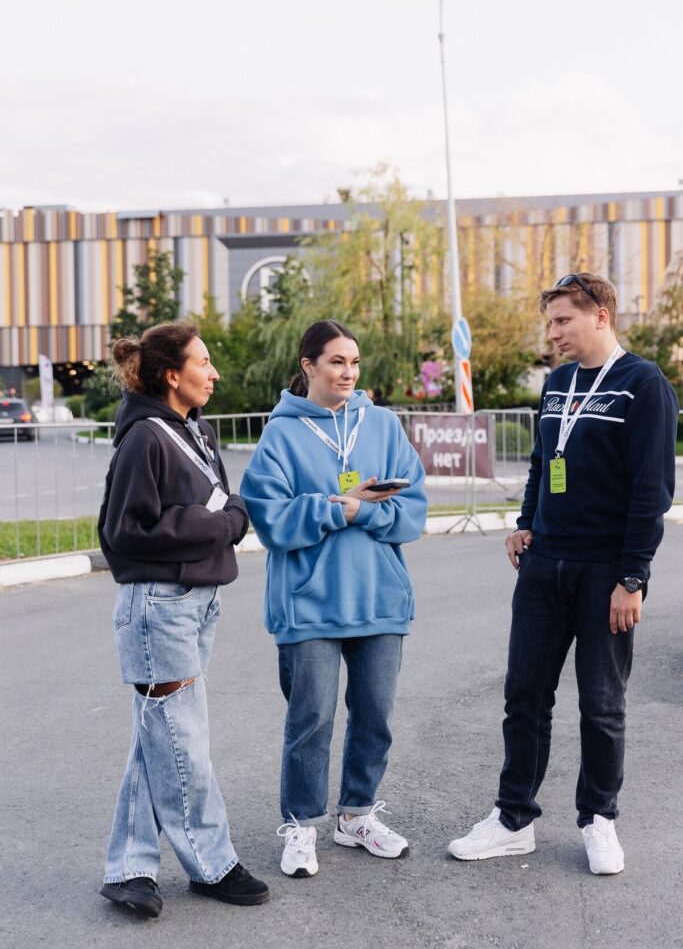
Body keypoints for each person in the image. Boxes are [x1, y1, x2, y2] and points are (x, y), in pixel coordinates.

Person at [447, 273, 678, 875]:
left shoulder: (642, 384)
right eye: (549, 323)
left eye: (562, 321)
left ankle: (599, 819)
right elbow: (543, 459)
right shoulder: (557, 383)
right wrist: (526, 521)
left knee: (602, 704)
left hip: (606, 570)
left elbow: (651, 489)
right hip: (544, 562)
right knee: (524, 695)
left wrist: (633, 578)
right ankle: (513, 818)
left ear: (600, 315)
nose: (553, 335)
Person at [240, 319, 427, 879]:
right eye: (336, 362)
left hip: (379, 598)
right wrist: (334, 506)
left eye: (354, 362)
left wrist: (362, 509)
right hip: (309, 603)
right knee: (312, 718)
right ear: (308, 367)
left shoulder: (384, 425)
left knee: (375, 715)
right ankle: (300, 826)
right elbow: (271, 520)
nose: (348, 372)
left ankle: (357, 815)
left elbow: (411, 510)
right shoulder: (280, 434)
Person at [98, 322, 269, 918]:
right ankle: (211, 862)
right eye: (204, 362)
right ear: (173, 375)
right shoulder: (146, 438)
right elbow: (123, 532)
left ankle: (129, 870)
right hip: (159, 606)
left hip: (196, 602)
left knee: (159, 737)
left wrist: (227, 515)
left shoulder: (194, 430)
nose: (214, 372)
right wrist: (221, 526)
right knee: (181, 740)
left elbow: (228, 500)